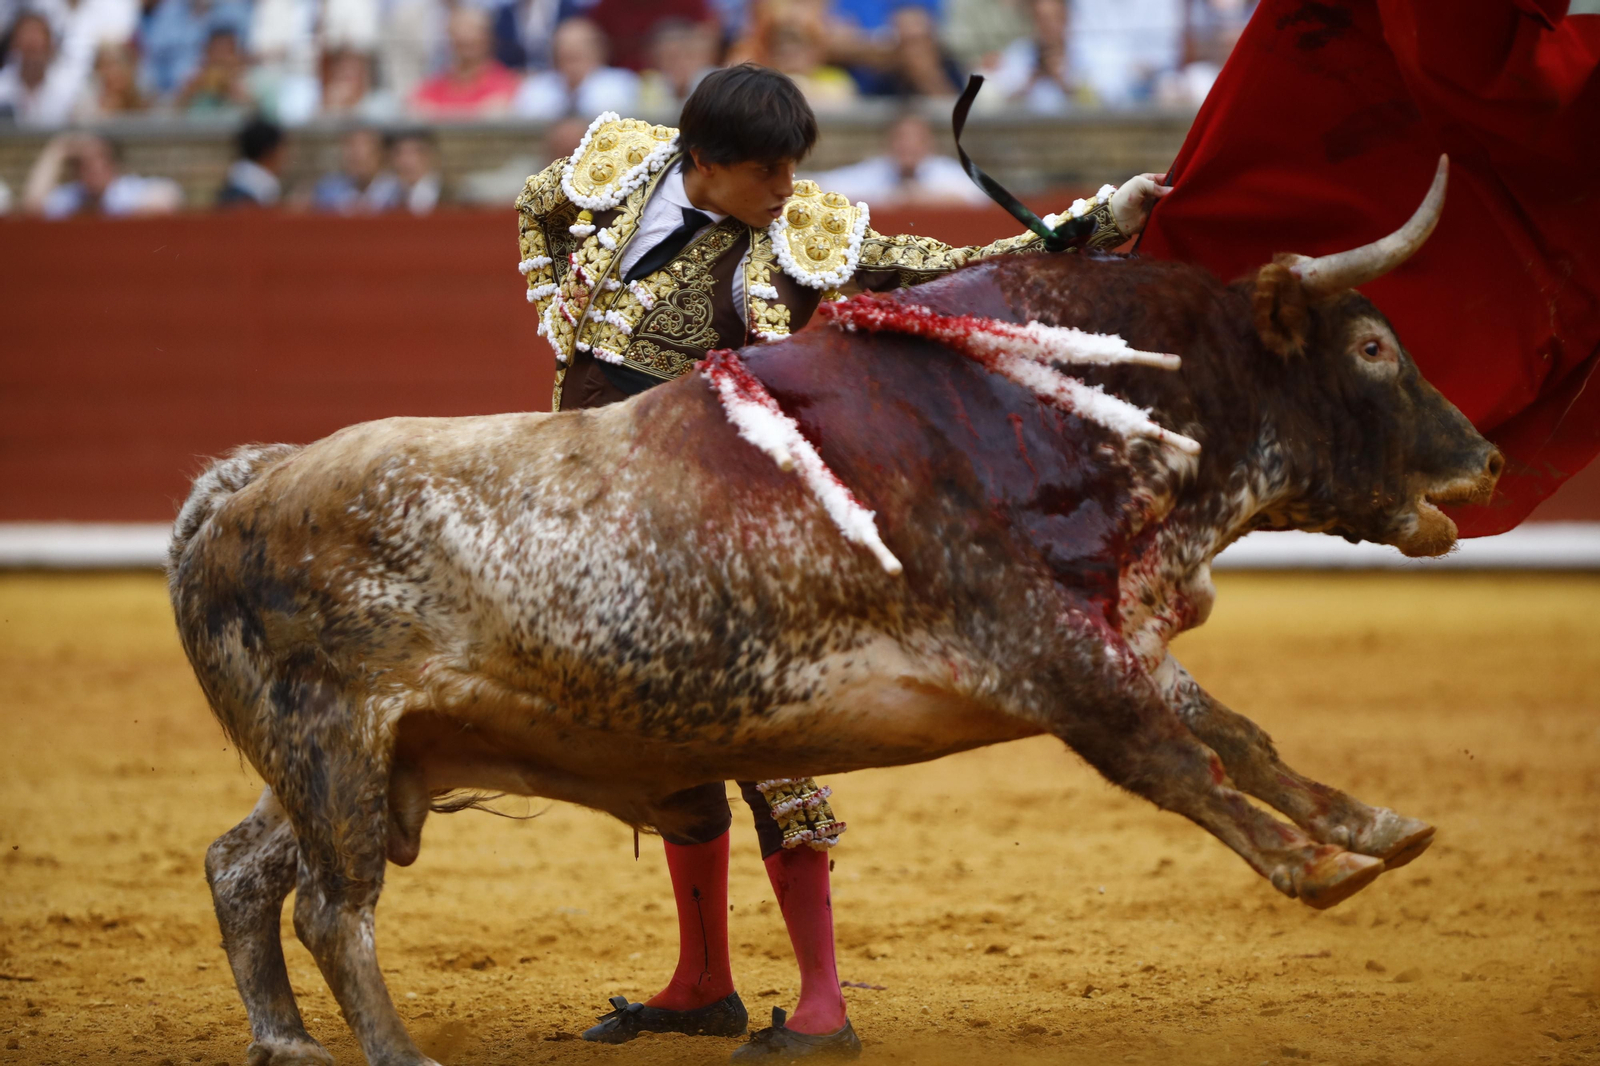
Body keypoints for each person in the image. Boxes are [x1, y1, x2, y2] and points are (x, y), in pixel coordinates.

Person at [515, 62, 1168, 1061]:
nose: (784, 188)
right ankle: (701, 982)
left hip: (708, 511)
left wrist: (1088, 222)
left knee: (768, 738)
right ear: (702, 162)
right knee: (666, 744)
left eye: (793, 167)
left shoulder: (798, 234)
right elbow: (536, 208)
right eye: (765, 170)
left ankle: (824, 1002)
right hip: (592, 509)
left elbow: (938, 265)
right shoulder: (616, 167)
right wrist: (552, 313)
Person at [807, 110, 988, 206]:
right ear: (889, 142)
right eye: (901, 138)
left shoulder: (948, 171)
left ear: (929, 143)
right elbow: (822, 186)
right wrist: (888, 198)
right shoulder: (874, 171)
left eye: (915, 139)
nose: (907, 145)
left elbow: (980, 201)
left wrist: (924, 199)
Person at [21, 131, 182, 216]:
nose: (93, 168)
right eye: (84, 162)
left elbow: (170, 195)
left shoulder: (129, 191)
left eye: (99, 159)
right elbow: (32, 207)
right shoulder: (73, 196)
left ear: (114, 164)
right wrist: (58, 150)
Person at [510, 17, 638, 121]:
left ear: (598, 53)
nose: (571, 66)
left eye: (577, 56)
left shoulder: (622, 84)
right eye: (564, 57)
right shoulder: (536, 88)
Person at [409, 6, 519, 118]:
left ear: (488, 39)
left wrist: (438, 113)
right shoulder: (437, 81)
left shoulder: (503, 80)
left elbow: (495, 111)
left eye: (473, 34)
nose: (466, 38)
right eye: (459, 36)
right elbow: (416, 107)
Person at [311, 126, 400, 213]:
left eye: (363, 160)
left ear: (379, 154)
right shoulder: (328, 189)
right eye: (350, 145)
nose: (355, 153)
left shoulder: (396, 192)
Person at [216, 115, 286, 207]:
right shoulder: (252, 192)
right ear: (270, 152)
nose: (284, 156)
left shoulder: (236, 179)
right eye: (281, 149)